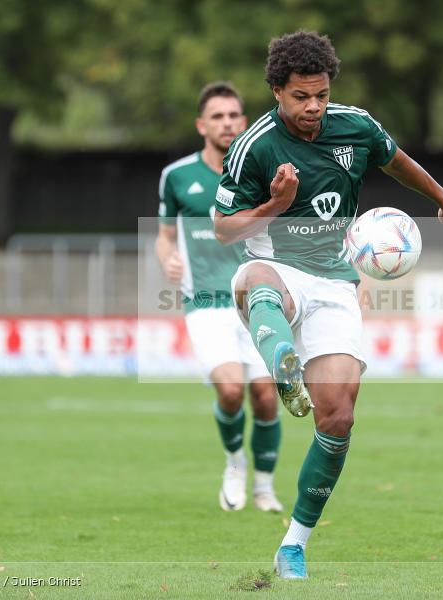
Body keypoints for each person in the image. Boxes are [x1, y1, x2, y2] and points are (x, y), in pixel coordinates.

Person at [213, 31, 443, 578]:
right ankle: (282, 361)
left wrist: (441, 197)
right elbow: (224, 230)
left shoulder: (356, 125)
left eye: (321, 95)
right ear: (277, 92)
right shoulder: (254, 145)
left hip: (335, 281)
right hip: (274, 265)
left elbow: (394, 161)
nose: (313, 107)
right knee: (256, 280)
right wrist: (275, 203)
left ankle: (293, 545)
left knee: (339, 416)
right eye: (301, 97)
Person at [156, 82, 283, 513]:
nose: (227, 123)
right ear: (201, 124)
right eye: (218, 116)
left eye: (233, 115)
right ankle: (235, 463)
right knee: (231, 391)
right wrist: (168, 258)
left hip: (259, 298)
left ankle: (264, 487)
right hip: (206, 303)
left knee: (266, 396)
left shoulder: (265, 169)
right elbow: (163, 237)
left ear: (243, 122)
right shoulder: (177, 176)